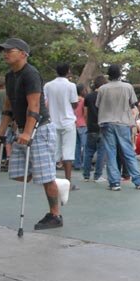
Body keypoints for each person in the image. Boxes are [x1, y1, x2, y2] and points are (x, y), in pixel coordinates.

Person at [0, 38, 70, 230]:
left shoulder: (30, 74)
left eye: (11, 50)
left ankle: (55, 215)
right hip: (21, 129)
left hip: (38, 129)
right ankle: (58, 182)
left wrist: (27, 133)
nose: (6, 53)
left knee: (44, 177)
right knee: (19, 175)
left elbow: (34, 107)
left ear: (24, 53)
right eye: (4, 50)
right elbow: (8, 106)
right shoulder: (10, 76)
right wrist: (1, 130)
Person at [96, 64, 140, 191]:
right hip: (123, 122)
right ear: (119, 74)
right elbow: (132, 103)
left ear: (108, 75)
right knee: (128, 152)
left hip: (106, 122)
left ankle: (114, 182)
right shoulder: (127, 87)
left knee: (111, 153)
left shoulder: (102, 89)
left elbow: (98, 105)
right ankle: (138, 181)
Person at [43, 63, 80, 191]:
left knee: (54, 152)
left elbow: (45, 102)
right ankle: (68, 182)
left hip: (53, 121)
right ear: (68, 72)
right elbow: (74, 103)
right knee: (68, 153)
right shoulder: (71, 86)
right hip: (68, 121)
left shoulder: (48, 85)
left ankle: (51, 181)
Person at [82, 75, 107, 182]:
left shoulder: (88, 97)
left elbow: (85, 113)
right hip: (102, 126)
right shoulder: (105, 96)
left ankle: (86, 175)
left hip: (91, 126)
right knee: (101, 152)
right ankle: (97, 176)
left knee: (88, 151)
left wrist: (87, 123)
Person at [73, 83, 87, 171]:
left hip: (74, 124)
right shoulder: (83, 100)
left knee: (76, 145)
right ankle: (85, 164)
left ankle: (77, 164)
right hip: (83, 124)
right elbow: (85, 113)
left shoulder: (73, 101)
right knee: (85, 145)